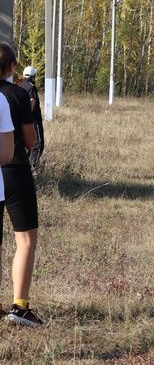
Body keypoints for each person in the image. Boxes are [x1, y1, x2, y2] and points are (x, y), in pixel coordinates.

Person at [0, 42, 43, 327]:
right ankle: (20, 305)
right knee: (25, 239)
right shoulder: (17, 94)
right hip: (14, 171)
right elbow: (30, 141)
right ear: (13, 67)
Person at [19, 66, 43, 171]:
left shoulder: (19, 85)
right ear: (33, 76)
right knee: (38, 143)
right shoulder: (31, 87)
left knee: (25, 144)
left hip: (21, 121)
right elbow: (31, 103)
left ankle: (24, 167)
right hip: (33, 120)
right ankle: (34, 168)